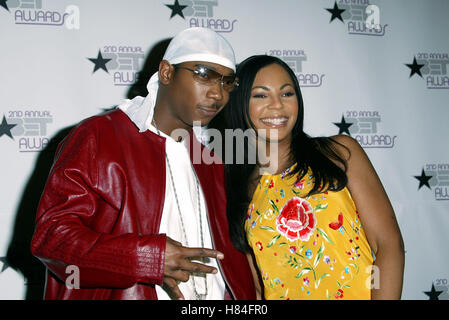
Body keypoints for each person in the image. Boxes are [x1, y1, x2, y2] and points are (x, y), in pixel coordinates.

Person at [31, 27, 256, 300]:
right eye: (204, 75)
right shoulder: (99, 137)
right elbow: (52, 239)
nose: (218, 94)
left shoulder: (212, 162)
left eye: (227, 82)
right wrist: (147, 258)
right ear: (166, 72)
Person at [223, 55, 405, 300]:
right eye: (261, 95)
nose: (277, 105)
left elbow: (388, 244)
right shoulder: (237, 189)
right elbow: (257, 288)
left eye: (287, 93)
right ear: (239, 103)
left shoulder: (337, 152)